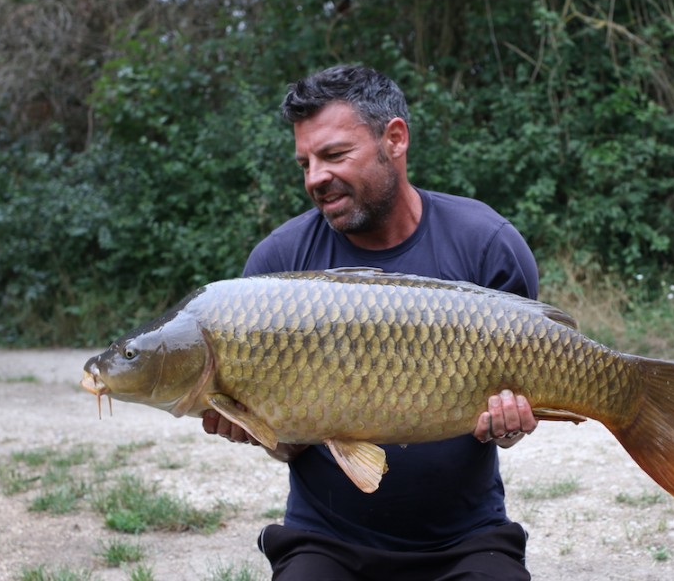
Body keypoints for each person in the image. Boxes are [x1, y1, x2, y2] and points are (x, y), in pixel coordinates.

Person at [202, 64, 540, 580]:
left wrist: (511, 424)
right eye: (305, 162)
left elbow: (517, 411)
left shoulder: (487, 244)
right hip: (326, 541)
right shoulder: (275, 269)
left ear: (395, 139)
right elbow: (290, 446)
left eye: (335, 155)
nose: (315, 177)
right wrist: (257, 427)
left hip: (468, 539)